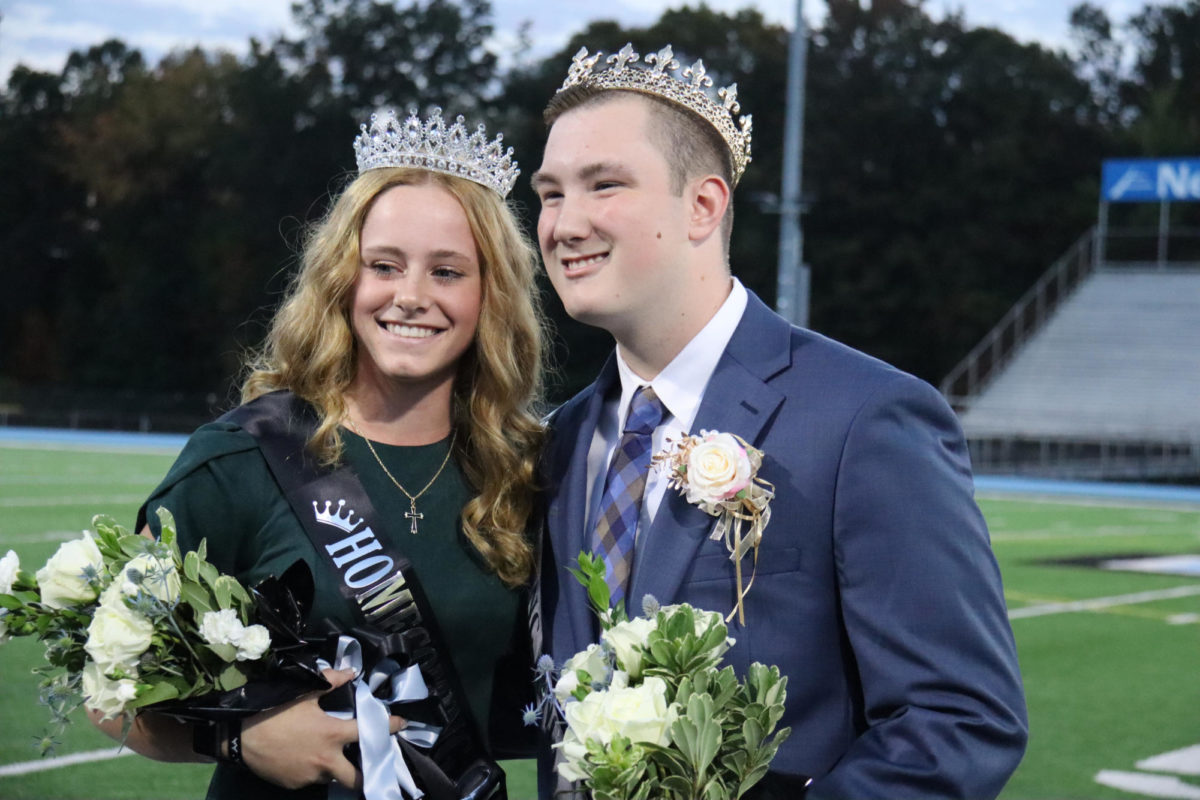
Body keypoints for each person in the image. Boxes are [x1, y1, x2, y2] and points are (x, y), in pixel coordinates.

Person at [531, 44, 1028, 799]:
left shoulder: (863, 416)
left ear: (703, 205)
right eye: (549, 193)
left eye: (604, 185)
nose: (565, 223)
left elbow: (959, 720)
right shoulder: (563, 439)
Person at [87, 107, 546, 799]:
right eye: (383, 265)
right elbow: (109, 685)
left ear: (491, 295)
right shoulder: (243, 459)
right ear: (343, 279)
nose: (411, 296)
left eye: (448, 271)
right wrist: (237, 736)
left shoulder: (522, 471)